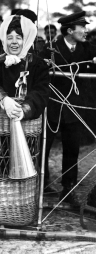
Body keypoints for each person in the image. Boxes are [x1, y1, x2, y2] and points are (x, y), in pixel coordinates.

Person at [39, 11, 96, 203]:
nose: (85, 31)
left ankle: (68, 188)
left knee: (72, 149)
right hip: (52, 106)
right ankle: (42, 184)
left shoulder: (88, 49)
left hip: (75, 108)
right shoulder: (51, 49)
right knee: (43, 147)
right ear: (70, 30)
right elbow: (38, 71)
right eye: (82, 28)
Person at [0, 14, 50, 122]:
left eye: (19, 38)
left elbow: (41, 92)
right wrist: (4, 99)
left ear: (26, 40)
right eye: (9, 38)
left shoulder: (38, 65)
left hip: (27, 125)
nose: (14, 42)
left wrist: (24, 110)